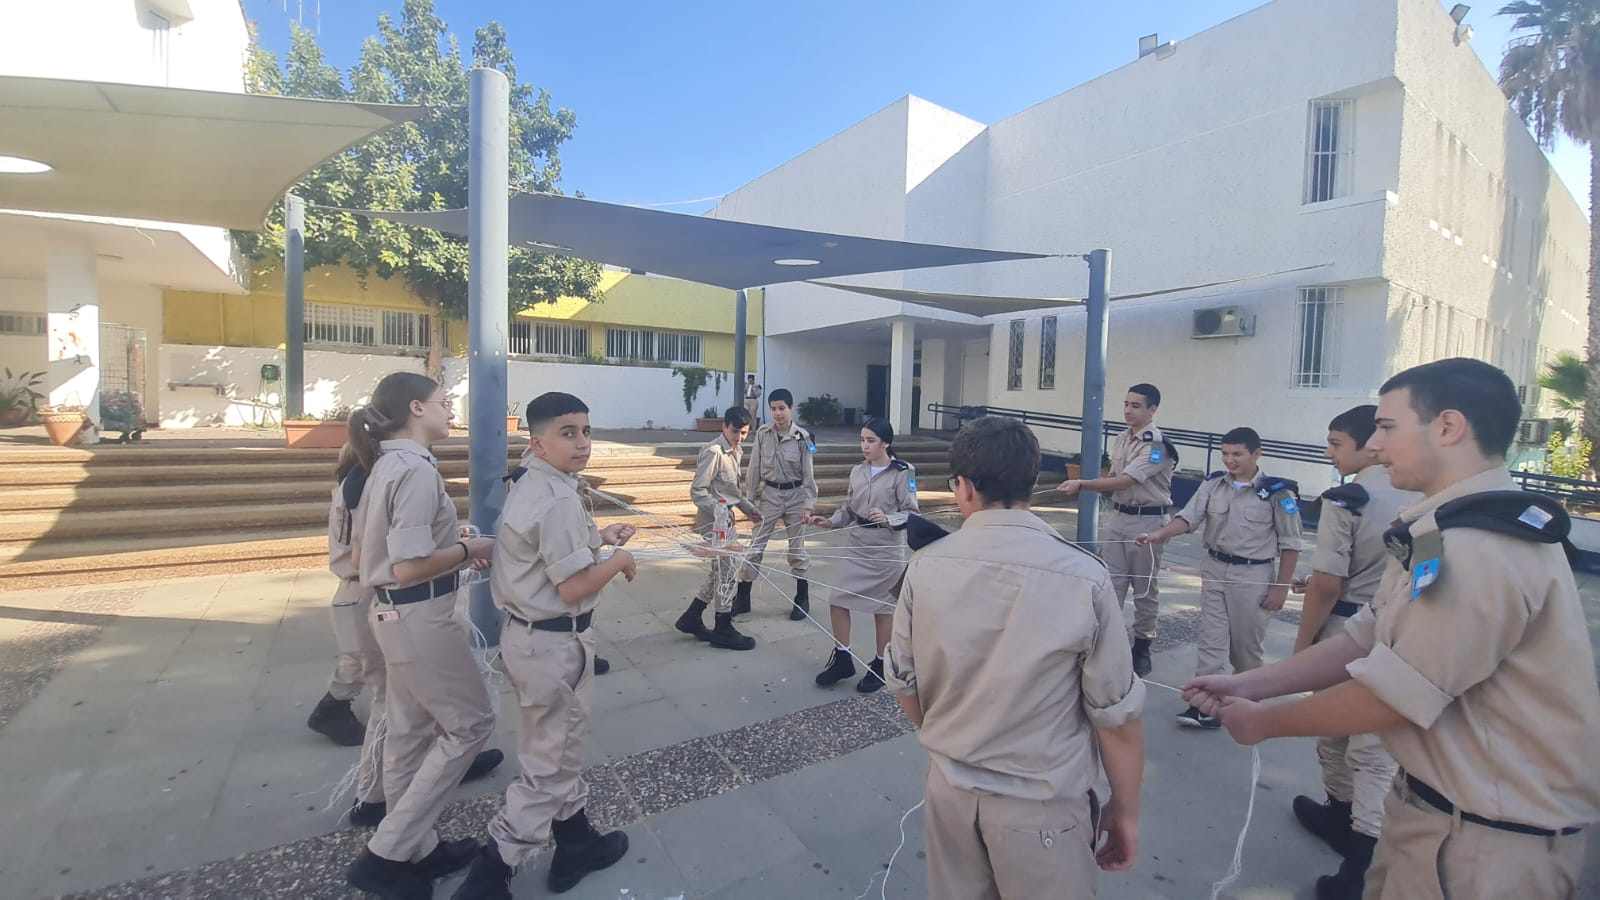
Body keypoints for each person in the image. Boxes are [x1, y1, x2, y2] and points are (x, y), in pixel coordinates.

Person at [1183, 358, 1600, 900]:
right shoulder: (1440, 528)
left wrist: (1264, 722)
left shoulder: (1479, 549)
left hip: (1485, 842)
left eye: (1387, 426)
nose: (1375, 445)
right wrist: (1247, 684)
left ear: (1448, 427)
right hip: (1439, 814)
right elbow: (1367, 635)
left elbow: (1394, 696)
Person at [884, 416, 1145, 900]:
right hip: (1043, 807)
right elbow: (1116, 718)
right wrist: (1126, 810)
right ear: (1032, 480)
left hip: (951, 794)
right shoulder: (1085, 577)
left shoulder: (923, 568)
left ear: (962, 487)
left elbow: (903, 682)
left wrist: (953, 738)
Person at [452, 393, 635, 899]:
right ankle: (491, 873)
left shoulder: (536, 479)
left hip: (528, 640)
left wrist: (598, 537)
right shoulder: (555, 498)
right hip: (554, 646)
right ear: (537, 442)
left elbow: (546, 550)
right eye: (567, 433)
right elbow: (573, 587)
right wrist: (619, 561)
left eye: (586, 431)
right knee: (549, 767)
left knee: (554, 746)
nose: (582, 444)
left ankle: (576, 841)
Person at [343, 373, 504, 898]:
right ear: (416, 407)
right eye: (444, 401)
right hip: (418, 618)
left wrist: (452, 545)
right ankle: (388, 852)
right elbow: (409, 566)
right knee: (470, 725)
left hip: (394, 616)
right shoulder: (413, 469)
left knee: (410, 732)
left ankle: (418, 848)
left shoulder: (386, 463)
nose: (451, 410)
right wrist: (472, 550)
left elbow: (389, 554)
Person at [1285, 404, 1415, 896]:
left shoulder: (1348, 499)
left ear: (1368, 446)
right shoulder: (1420, 496)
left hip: (1349, 628)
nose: (1329, 453)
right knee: (1364, 744)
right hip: (1398, 626)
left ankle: (1360, 867)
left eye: (1337, 444)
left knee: (1351, 741)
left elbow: (1326, 586)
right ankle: (1341, 819)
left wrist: (1302, 649)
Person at [1137, 426, 1302, 728]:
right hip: (1215, 569)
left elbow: (1291, 544)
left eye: (1237, 454)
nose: (1230, 460)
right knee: (1210, 641)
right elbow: (1188, 518)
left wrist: (1280, 587)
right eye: (1225, 453)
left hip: (1252, 575)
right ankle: (1206, 706)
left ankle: (1246, 704)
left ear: (1256, 454)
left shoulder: (1278, 494)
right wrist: (1160, 534)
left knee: (1245, 649)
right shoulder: (1213, 485)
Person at [1059, 383, 1177, 676]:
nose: (1128, 410)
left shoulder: (1157, 446)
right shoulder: (1122, 438)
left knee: (1144, 589)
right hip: (1119, 519)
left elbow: (1127, 480)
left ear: (1152, 409)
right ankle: (1106, 643)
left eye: (1136, 405)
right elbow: (1114, 476)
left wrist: (1082, 484)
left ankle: (1142, 646)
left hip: (1147, 522)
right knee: (1111, 584)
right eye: (1126, 404)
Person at [806, 417, 918, 692]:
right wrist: (829, 521)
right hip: (858, 545)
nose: (864, 446)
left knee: (883, 610)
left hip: (886, 549)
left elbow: (912, 513)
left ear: (886, 443)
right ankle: (843, 658)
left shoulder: (903, 472)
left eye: (871, 441)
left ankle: (880, 665)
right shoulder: (857, 471)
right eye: (862, 440)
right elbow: (848, 508)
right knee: (838, 599)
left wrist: (888, 518)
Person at [307, 445, 383, 750]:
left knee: (359, 658)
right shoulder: (358, 492)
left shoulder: (349, 488)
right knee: (378, 669)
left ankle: (332, 710)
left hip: (356, 589)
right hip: (363, 588)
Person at [674, 406, 762, 650]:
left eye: (744, 433)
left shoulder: (735, 450)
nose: (739, 437)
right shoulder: (713, 452)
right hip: (713, 521)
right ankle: (722, 626)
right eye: (735, 431)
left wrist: (747, 508)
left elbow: (731, 490)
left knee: (723, 571)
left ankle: (692, 616)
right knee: (727, 571)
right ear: (724, 427)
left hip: (726, 520)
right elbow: (698, 491)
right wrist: (720, 510)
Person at [737, 388, 817, 621]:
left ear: (791, 408)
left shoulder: (802, 437)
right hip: (770, 495)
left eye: (782, 408)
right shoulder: (763, 434)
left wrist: (808, 505)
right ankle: (743, 597)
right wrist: (750, 501)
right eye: (773, 409)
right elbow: (754, 468)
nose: (778, 413)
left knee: (797, 549)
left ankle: (802, 597)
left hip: (795, 496)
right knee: (755, 545)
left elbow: (808, 474)